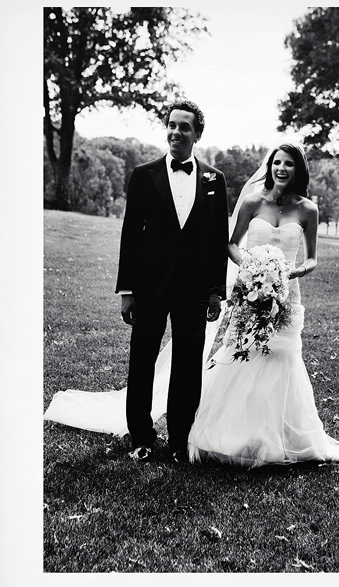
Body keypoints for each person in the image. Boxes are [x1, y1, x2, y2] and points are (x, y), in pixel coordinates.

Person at [187, 144, 339, 466]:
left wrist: (295, 271)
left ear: (298, 170)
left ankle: (282, 438)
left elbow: (313, 257)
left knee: (282, 356)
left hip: (287, 293)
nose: (281, 168)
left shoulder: (308, 209)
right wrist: (251, 265)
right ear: (270, 166)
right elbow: (231, 243)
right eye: (277, 162)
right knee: (243, 353)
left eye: (289, 164)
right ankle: (233, 434)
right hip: (250, 290)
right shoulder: (252, 201)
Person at [116, 99, 229, 463]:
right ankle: (142, 436)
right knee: (142, 360)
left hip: (194, 289)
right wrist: (128, 290)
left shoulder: (215, 180)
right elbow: (130, 234)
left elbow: (216, 238)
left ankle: (180, 440)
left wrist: (215, 291)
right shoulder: (143, 175)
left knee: (187, 365)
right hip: (149, 286)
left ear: (197, 134)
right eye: (171, 124)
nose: (176, 132)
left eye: (184, 127)